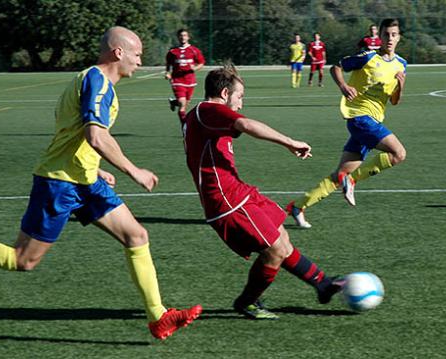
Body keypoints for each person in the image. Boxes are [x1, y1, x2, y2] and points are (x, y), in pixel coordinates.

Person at [0, 26, 202, 339]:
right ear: (119, 52)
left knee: (136, 236)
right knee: (23, 260)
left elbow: (76, 135)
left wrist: (95, 170)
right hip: (59, 182)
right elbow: (95, 135)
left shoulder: (99, 83)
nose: (140, 60)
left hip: (84, 180)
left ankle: (158, 316)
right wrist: (131, 170)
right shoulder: (97, 80)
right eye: (136, 54)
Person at [182, 64, 344, 320]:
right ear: (225, 93)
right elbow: (245, 124)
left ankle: (322, 284)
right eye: (239, 97)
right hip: (226, 201)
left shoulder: (204, 115)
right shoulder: (209, 110)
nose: (240, 104)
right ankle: (247, 302)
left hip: (238, 191)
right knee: (275, 250)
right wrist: (290, 143)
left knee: (282, 239)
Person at [287, 18, 407, 228]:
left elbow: (394, 101)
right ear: (380, 36)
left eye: (394, 34)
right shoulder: (367, 57)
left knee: (339, 175)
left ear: (399, 37)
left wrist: (401, 86)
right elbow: (336, 67)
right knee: (398, 154)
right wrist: (343, 86)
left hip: (373, 120)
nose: (390, 38)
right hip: (360, 118)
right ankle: (350, 181)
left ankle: (297, 206)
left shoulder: (401, 64)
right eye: (386, 34)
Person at [165, 28, 205, 123]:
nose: (183, 37)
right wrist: (167, 73)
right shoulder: (173, 51)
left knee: (185, 104)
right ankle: (184, 126)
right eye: (181, 35)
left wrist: (194, 68)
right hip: (177, 81)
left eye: (184, 35)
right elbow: (168, 64)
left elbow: (201, 63)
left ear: (188, 37)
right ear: (178, 37)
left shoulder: (194, 50)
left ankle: (174, 102)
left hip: (190, 81)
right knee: (182, 104)